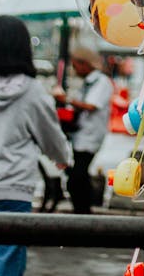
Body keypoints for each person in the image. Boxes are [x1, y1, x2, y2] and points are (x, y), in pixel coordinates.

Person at [0, 15, 71, 276]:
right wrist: (63, 158)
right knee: (5, 261)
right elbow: (51, 138)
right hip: (13, 188)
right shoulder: (32, 91)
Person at [52, 46, 113, 214]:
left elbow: (91, 105)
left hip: (90, 138)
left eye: (76, 65)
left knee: (76, 178)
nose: (74, 69)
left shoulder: (101, 82)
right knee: (79, 176)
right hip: (80, 137)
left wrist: (66, 99)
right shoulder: (87, 83)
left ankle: (83, 212)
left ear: (84, 64)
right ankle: (83, 211)